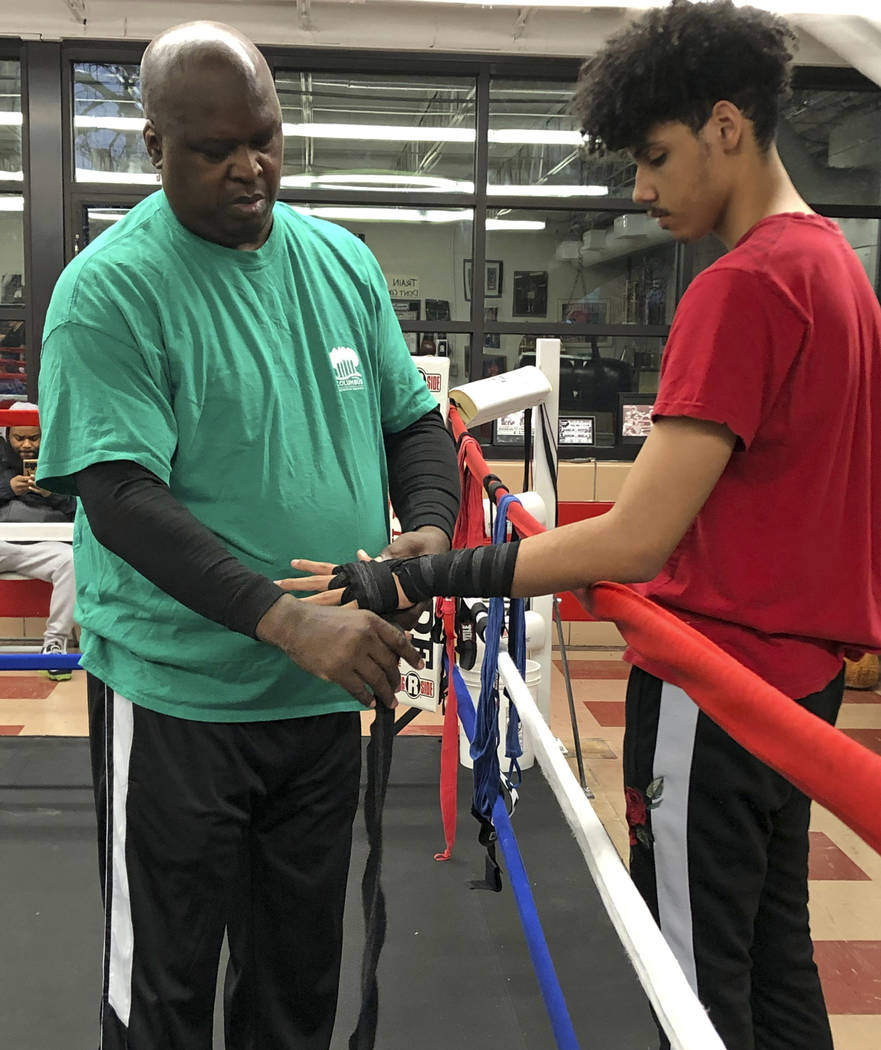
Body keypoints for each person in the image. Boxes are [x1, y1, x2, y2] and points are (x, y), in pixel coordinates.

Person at [283, 4, 881, 1048]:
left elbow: (629, 542)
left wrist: (421, 578)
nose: (641, 191)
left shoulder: (740, 287)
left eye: (653, 157)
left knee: (690, 991)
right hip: (798, 689)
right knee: (775, 963)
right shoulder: (836, 268)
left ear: (726, 126)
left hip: (717, 685)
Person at [35, 21, 459, 1050]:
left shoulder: (339, 263)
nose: (248, 167)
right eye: (212, 147)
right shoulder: (111, 289)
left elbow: (410, 420)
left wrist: (428, 530)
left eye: (263, 138)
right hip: (180, 701)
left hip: (318, 695)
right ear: (152, 147)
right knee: (163, 999)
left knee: (293, 989)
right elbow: (120, 496)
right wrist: (281, 620)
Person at [0, 404, 76, 680]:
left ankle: (55, 644)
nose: (27, 444)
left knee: (71, 563)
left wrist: (52, 493)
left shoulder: (63, 457)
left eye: (35, 437)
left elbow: (79, 509)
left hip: (45, 544)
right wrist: (8, 488)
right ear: (7, 435)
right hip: (2, 541)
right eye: (19, 438)